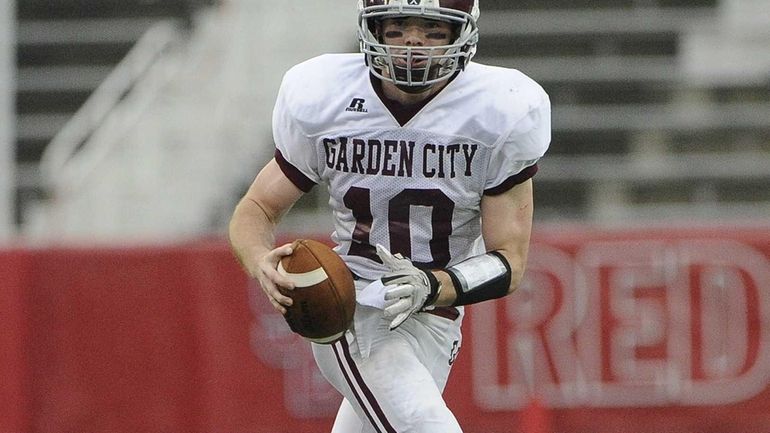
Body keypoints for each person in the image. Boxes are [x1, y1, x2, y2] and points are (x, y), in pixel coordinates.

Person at [229, 0, 551, 431]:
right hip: (354, 307)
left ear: (462, 35)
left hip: (436, 319)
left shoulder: (499, 110)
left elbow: (510, 263)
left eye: (433, 30)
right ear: (375, 31)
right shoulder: (327, 96)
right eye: (399, 28)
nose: (414, 45)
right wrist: (259, 261)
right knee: (426, 426)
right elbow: (256, 209)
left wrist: (433, 285)